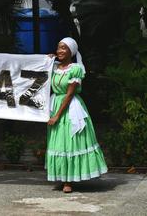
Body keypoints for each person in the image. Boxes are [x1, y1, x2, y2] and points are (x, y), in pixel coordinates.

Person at [46, 37, 108, 193]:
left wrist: (57, 116)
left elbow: (69, 95)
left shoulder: (75, 69)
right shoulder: (54, 67)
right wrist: (46, 60)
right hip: (55, 104)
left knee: (71, 142)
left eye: (63, 48)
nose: (60, 51)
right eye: (58, 48)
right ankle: (63, 176)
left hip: (70, 107)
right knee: (59, 143)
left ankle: (69, 181)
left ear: (71, 51)